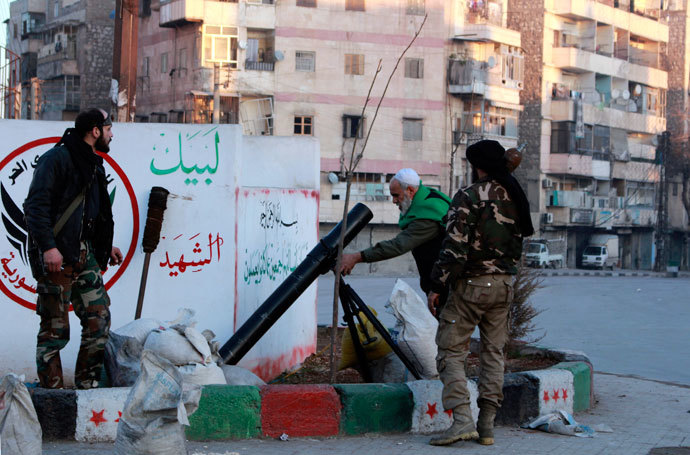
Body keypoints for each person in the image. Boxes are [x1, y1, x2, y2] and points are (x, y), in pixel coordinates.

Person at [426, 140, 533, 447]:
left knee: (451, 351)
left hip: (471, 286)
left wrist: (437, 286)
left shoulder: (469, 196)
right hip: (504, 286)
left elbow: (454, 247)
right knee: (493, 354)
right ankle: (487, 425)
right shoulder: (516, 195)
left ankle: (462, 421)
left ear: (477, 166)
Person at [24, 108, 122, 389]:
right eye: (108, 128)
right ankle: (52, 398)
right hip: (57, 257)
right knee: (55, 331)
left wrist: (104, 247)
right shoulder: (56, 159)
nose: (111, 134)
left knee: (99, 319)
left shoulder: (92, 163)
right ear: (95, 131)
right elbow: (35, 208)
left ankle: (86, 387)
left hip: (84, 254)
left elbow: (88, 215)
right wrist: (48, 248)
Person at [340, 168, 451, 299]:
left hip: (446, 287)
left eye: (396, 195)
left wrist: (356, 257)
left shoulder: (428, 214)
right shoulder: (429, 196)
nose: (393, 201)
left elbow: (398, 245)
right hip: (441, 284)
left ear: (410, 190)